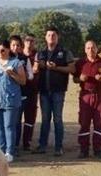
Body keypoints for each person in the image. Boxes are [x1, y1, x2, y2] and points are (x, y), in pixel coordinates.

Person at [32, 27, 75, 156]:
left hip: (58, 91)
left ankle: (58, 147)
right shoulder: (40, 53)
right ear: (45, 37)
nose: (51, 37)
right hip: (44, 91)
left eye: (54, 35)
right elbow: (34, 70)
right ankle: (42, 146)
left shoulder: (65, 52)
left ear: (58, 37)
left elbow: (72, 69)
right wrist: (38, 66)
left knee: (57, 119)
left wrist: (56, 68)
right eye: (49, 35)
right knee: (45, 119)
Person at [0, 41, 26, 162]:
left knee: (9, 125)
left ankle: (10, 151)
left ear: (8, 50)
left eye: (2, 50)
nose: (0, 53)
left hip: (10, 99)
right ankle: (0, 151)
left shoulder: (16, 63)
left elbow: (23, 81)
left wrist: (12, 74)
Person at [73, 40, 101, 159]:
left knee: (99, 122)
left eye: (93, 48)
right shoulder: (80, 63)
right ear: (85, 50)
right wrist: (80, 79)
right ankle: (84, 150)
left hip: (99, 95)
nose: (90, 50)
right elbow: (74, 79)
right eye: (88, 48)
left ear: (97, 48)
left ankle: (98, 149)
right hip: (85, 95)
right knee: (84, 122)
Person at [8, 35, 33, 154]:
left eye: (18, 45)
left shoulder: (24, 58)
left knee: (17, 121)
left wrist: (20, 75)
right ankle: (8, 146)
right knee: (9, 122)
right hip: (7, 94)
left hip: (21, 94)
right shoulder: (4, 58)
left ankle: (16, 146)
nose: (15, 47)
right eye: (13, 45)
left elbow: (31, 75)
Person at [19, 34, 39, 151]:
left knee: (30, 118)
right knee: (16, 118)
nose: (29, 43)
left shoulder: (37, 55)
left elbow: (36, 69)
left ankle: (27, 142)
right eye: (27, 40)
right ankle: (15, 142)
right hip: (19, 91)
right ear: (24, 42)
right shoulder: (18, 56)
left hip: (32, 91)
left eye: (32, 41)